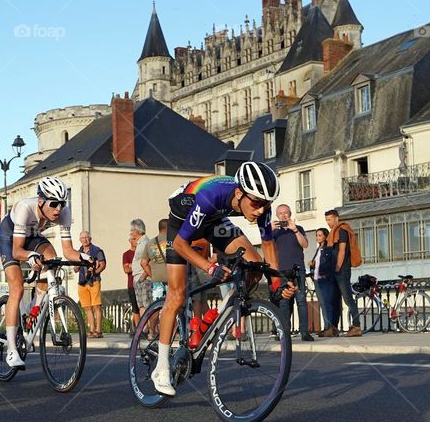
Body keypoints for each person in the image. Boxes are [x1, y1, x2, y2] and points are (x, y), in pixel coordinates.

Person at [152, 161, 297, 396]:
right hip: (182, 221)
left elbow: (268, 246)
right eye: (257, 203)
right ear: (239, 193)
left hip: (213, 222)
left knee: (255, 265)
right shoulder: (212, 195)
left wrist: (277, 282)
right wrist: (210, 268)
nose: (261, 210)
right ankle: (160, 368)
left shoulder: (257, 202)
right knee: (177, 295)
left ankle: (221, 315)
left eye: (266, 204)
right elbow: (180, 244)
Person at [0, 176, 90, 369]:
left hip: (33, 237)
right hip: (10, 237)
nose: (58, 209)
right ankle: (12, 350)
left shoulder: (63, 214)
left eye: (62, 204)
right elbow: (17, 251)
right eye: (54, 204)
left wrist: (85, 258)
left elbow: (68, 251)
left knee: (52, 259)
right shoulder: (25, 208)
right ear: (41, 202)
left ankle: (35, 309)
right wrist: (30, 256)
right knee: (17, 287)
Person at [272, 204, 314, 341]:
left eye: (286, 213)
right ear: (277, 215)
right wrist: (269, 231)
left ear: (290, 214)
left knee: (301, 301)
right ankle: (284, 332)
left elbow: (305, 245)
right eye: (280, 213)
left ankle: (304, 332)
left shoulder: (299, 229)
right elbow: (267, 247)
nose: (283, 216)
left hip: (298, 269)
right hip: (282, 271)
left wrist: (295, 230)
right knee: (284, 302)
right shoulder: (273, 232)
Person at [325, 209, 361, 337]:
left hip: (341, 270)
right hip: (334, 270)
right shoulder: (333, 232)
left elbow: (342, 250)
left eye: (329, 220)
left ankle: (356, 326)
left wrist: (338, 267)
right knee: (334, 300)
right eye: (326, 220)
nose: (328, 223)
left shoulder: (342, 230)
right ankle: (333, 328)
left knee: (348, 299)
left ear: (336, 218)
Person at [77, 231, 107, 338]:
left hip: (94, 281)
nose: (85, 239)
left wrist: (95, 272)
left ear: (90, 238)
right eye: (83, 238)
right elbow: (76, 269)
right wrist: (76, 266)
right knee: (87, 307)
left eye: (87, 237)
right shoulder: (78, 252)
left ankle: (98, 331)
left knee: (97, 306)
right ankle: (92, 329)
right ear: (80, 240)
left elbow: (103, 264)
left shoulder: (97, 250)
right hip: (82, 282)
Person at [131, 219, 155, 332]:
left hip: (143, 278)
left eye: (132, 230)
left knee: (147, 304)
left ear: (137, 230)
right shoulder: (140, 243)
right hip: (137, 278)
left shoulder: (146, 242)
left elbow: (149, 260)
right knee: (141, 305)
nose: (131, 232)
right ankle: (143, 329)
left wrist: (143, 276)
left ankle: (151, 329)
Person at [308, 228, 333, 335]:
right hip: (317, 279)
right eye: (317, 235)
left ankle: (329, 327)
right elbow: (318, 264)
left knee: (327, 304)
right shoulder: (319, 249)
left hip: (324, 279)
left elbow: (328, 264)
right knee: (322, 304)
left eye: (320, 235)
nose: (317, 237)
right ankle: (326, 327)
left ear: (325, 236)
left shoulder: (328, 248)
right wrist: (312, 264)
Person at [122, 231, 140, 330]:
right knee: (135, 307)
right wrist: (138, 266)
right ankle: (138, 329)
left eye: (136, 239)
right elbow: (126, 269)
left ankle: (146, 328)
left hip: (143, 282)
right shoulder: (126, 254)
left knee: (144, 306)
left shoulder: (141, 253)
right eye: (133, 239)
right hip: (131, 284)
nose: (136, 241)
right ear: (129, 241)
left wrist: (131, 265)